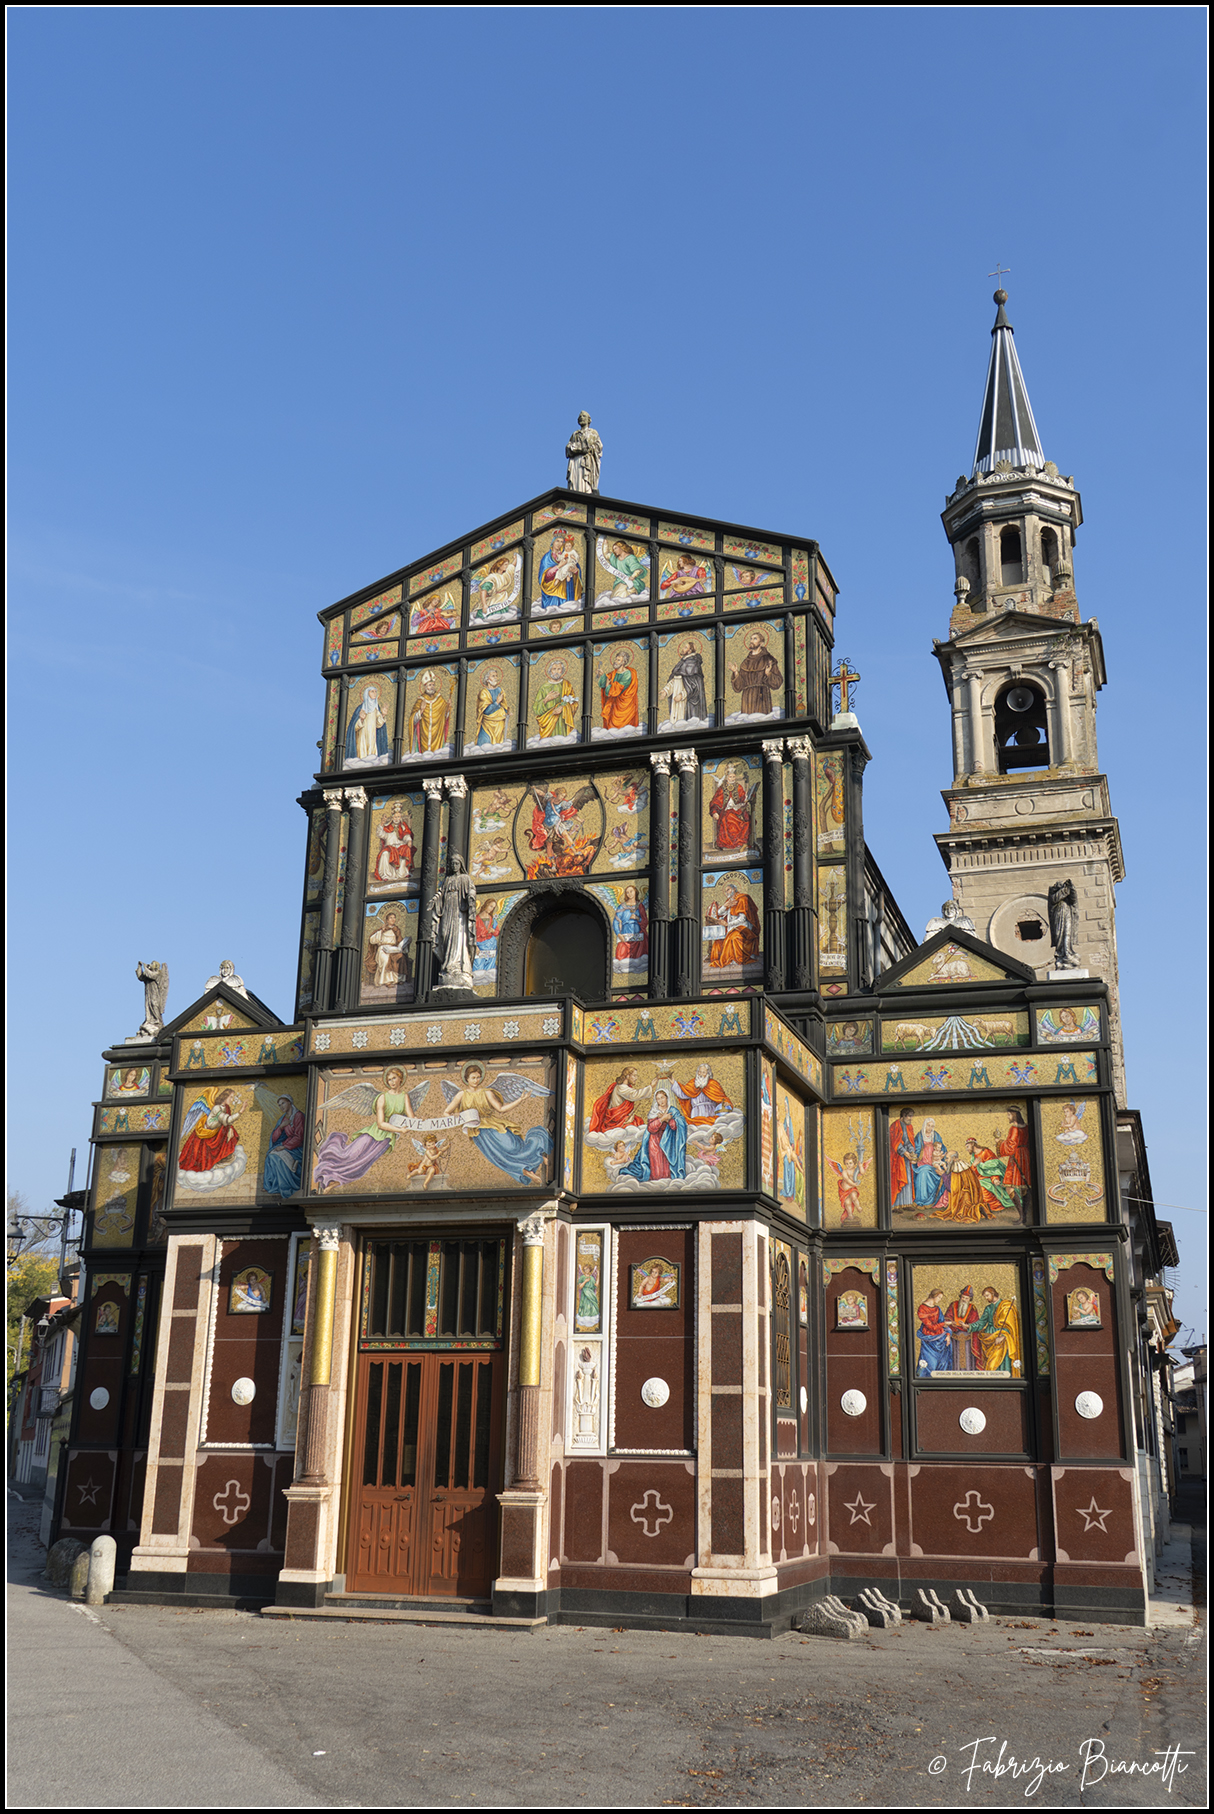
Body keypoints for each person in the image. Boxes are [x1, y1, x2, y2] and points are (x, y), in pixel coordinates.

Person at [445, 1061, 552, 1184]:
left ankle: (537, 1157)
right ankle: (526, 1172)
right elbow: (446, 1113)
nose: (476, 1080)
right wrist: (457, 1116)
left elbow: (501, 1109)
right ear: (466, 1079)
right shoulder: (461, 1095)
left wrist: (520, 1100)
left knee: (513, 1145)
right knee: (499, 1157)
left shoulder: (487, 1093)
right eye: (473, 1078)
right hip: (479, 1133)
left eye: (478, 1077)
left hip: (494, 1126)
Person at [314, 1069, 408, 1189]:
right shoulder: (382, 1097)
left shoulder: (405, 1097)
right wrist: (400, 1130)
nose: (392, 1082)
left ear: (401, 1078)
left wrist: (421, 1124)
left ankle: (334, 1182)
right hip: (372, 1134)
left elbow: (411, 1117)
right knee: (349, 1156)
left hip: (386, 1140)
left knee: (361, 1165)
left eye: (394, 1078)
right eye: (389, 1079)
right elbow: (380, 1124)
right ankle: (326, 1171)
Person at [620, 1090, 688, 1183]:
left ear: (667, 1098)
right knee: (657, 1166)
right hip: (655, 1141)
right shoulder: (654, 1111)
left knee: (667, 1166)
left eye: (662, 1098)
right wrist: (662, 1119)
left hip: (669, 1141)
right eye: (658, 1099)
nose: (661, 1101)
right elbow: (651, 1128)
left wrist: (669, 1120)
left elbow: (678, 1126)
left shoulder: (673, 1111)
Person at [179, 1089, 243, 1176]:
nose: (232, 1099)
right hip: (208, 1133)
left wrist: (230, 1128)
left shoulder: (226, 1107)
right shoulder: (217, 1108)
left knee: (232, 1133)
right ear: (225, 1097)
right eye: (230, 1097)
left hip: (217, 1131)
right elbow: (227, 1120)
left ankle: (223, 1157)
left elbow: (227, 1122)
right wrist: (240, 1111)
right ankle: (218, 1158)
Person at [705, 883, 760, 969]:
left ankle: (737, 958)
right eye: (725, 890)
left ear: (734, 889)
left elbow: (742, 919)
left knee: (733, 938)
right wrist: (725, 906)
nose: (726, 892)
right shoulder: (729, 901)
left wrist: (727, 924)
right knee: (718, 941)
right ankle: (725, 958)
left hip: (743, 928)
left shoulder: (742, 899)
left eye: (728, 890)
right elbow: (719, 913)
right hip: (731, 928)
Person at [729, 630, 783, 716]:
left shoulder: (768, 659)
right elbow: (740, 686)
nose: (751, 641)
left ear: (761, 643)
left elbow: (778, 682)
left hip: (762, 697)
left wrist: (768, 674)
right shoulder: (745, 662)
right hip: (747, 699)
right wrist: (736, 672)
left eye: (755, 639)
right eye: (751, 639)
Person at [974, 1284, 1022, 1374]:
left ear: (993, 1294)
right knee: (989, 1363)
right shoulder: (988, 1308)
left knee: (997, 1362)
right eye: (985, 1297)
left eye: (987, 1295)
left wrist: (1003, 1336)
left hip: (1002, 1337)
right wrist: (969, 1327)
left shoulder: (1006, 1306)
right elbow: (981, 1323)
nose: (986, 1298)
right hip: (989, 1337)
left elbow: (1010, 1325)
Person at [263, 1096, 305, 1196]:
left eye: (283, 1103)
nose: (281, 1106)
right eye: (279, 1105)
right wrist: (281, 1127)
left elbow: (299, 1137)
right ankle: (274, 1185)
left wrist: (284, 1147)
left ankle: (285, 1186)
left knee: (276, 1157)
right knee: (270, 1155)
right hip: (287, 1145)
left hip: (297, 1148)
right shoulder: (283, 1119)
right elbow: (274, 1138)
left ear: (289, 1102)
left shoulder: (298, 1116)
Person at [589, 1066, 652, 1132]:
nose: (636, 1078)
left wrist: (631, 1116)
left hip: (622, 1118)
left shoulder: (625, 1087)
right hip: (616, 1120)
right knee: (636, 1125)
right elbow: (634, 1095)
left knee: (638, 1121)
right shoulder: (621, 1087)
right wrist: (650, 1087)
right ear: (627, 1076)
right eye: (634, 1075)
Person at [709, 763, 755, 852]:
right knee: (729, 818)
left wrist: (745, 797)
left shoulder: (739, 787)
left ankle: (740, 842)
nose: (732, 779)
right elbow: (716, 801)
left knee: (745, 821)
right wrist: (714, 811)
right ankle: (727, 843)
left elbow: (742, 799)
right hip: (725, 811)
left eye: (734, 777)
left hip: (738, 810)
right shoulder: (722, 788)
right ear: (726, 777)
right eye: (730, 777)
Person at [533, 658, 580, 741]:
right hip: (548, 722)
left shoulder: (566, 684)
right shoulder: (544, 688)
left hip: (563, 721)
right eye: (554, 669)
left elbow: (574, 702)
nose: (556, 671)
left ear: (562, 671)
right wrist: (546, 699)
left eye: (559, 669)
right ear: (550, 671)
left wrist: (563, 708)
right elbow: (536, 709)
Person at [536, 529, 583, 610]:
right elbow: (545, 577)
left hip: (567, 588)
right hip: (553, 592)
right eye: (557, 541)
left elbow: (576, 569)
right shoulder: (547, 558)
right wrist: (558, 566)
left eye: (562, 542)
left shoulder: (567, 554)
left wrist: (575, 571)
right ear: (553, 542)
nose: (559, 544)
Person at [345, 684, 390, 765]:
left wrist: (383, 715)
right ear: (367, 694)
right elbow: (353, 727)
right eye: (372, 692)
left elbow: (378, 724)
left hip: (372, 736)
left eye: (375, 692)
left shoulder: (376, 709)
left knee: (372, 755)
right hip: (362, 737)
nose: (374, 693)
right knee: (362, 754)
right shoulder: (361, 708)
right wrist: (361, 719)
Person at [373, 806, 414, 887]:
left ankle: (402, 873)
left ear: (400, 817)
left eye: (398, 817)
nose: (396, 818)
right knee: (384, 854)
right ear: (392, 817)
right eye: (395, 817)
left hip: (400, 847)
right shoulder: (388, 827)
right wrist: (382, 823)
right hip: (390, 848)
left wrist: (409, 841)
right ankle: (386, 875)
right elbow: (380, 834)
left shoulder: (403, 827)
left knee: (405, 850)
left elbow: (406, 835)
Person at [367, 911, 409, 990]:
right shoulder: (382, 929)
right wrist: (381, 931)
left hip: (393, 949)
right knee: (386, 960)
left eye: (394, 917)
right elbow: (372, 940)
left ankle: (399, 979)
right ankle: (387, 981)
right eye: (391, 918)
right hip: (383, 949)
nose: (393, 919)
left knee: (401, 958)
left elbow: (399, 941)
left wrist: (403, 944)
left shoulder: (396, 930)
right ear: (387, 920)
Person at [410, 671, 451, 753]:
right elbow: (412, 719)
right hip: (423, 734)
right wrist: (420, 711)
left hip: (437, 734)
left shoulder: (439, 699)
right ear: (425, 687)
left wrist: (448, 708)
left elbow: (445, 715)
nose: (432, 687)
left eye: (433, 685)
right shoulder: (420, 700)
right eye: (429, 685)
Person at [598, 650, 639, 730]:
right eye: (616, 659)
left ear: (623, 662)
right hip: (614, 706)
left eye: (618, 660)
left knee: (623, 729)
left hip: (625, 706)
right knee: (612, 728)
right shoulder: (614, 673)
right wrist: (603, 675)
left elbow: (615, 691)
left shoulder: (627, 674)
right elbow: (602, 684)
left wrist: (608, 685)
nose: (615, 662)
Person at [916, 1289, 953, 1376]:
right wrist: (944, 1324)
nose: (939, 1299)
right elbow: (931, 1327)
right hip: (929, 1341)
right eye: (939, 1297)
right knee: (930, 1365)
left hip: (941, 1340)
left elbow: (943, 1325)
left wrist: (948, 1335)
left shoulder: (937, 1309)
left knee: (943, 1363)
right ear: (934, 1296)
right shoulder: (922, 1309)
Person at [668, 640, 708, 720]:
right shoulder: (683, 662)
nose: (682, 649)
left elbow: (694, 684)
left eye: (685, 647)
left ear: (690, 651)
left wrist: (682, 694)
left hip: (691, 700)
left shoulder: (692, 663)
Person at [612, 885, 648, 963]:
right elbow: (615, 922)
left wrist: (637, 918)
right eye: (627, 892)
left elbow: (645, 921)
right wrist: (618, 934)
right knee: (620, 956)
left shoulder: (640, 906)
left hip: (638, 939)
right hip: (624, 937)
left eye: (631, 891)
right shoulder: (622, 907)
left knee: (639, 959)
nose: (629, 894)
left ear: (635, 892)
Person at [474, 667, 509, 745]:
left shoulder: (500, 690)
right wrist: (497, 702)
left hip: (500, 722)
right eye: (493, 676)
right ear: (487, 679)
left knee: (499, 746)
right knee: (484, 745)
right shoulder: (484, 693)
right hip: (487, 724)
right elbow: (486, 711)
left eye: (496, 676)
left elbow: (504, 705)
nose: (496, 678)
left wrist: (507, 712)